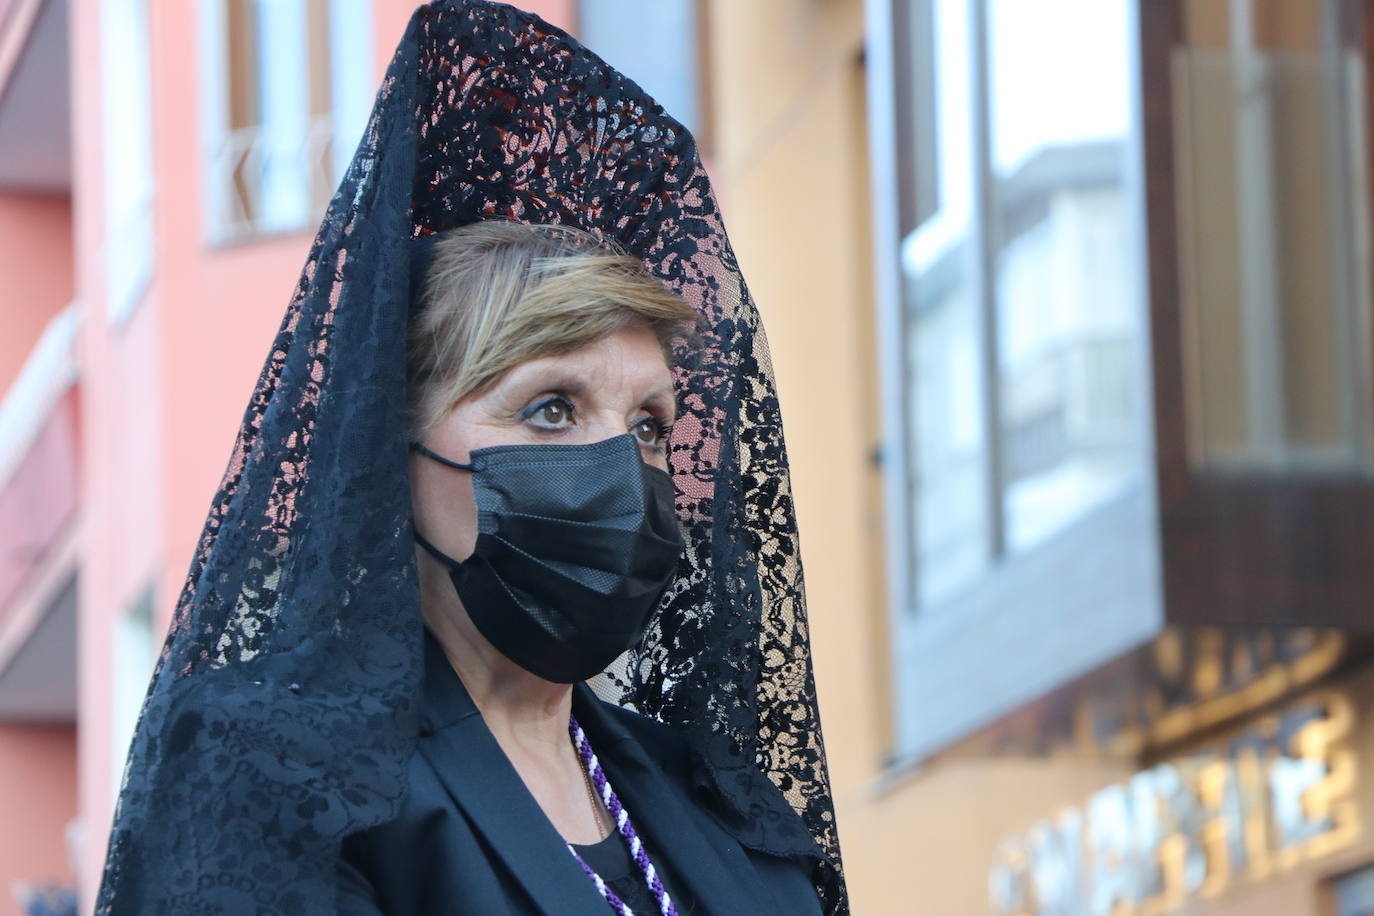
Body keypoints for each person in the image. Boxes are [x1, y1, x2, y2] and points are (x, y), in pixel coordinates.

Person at [97, 2, 848, 914]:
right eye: (551, 408)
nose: (620, 466)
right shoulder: (273, 775)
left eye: (649, 423)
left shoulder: (718, 812)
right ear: (392, 457)